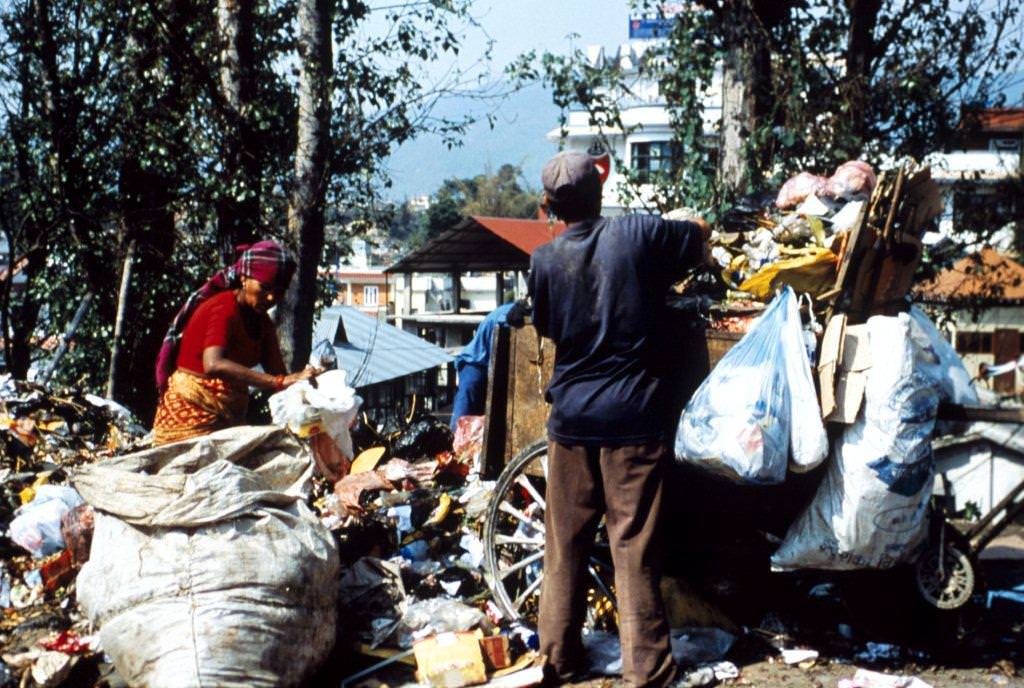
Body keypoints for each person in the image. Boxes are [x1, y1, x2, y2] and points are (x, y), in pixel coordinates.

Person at [528, 151, 710, 688]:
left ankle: (556, 660)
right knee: (633, 547)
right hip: (631, 419)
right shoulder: (637, 235)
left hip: (571, 421)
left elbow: (546, 324)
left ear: (550, 206)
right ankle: (647, 670)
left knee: (564, 546)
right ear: (600, 192)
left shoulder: (543, 260)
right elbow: (697, 239)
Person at [152, 240, 318, 445]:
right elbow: (213, 364)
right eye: (265, 287)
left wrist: (308, 386)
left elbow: (280, 375)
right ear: (244, 278)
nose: (271, 297)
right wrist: (278, 382)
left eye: (280, 291)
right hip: (190, 415)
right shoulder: (223, 308)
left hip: (228, 419)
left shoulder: (262, 322)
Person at [449, 301, 515, 431]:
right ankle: (453, 446)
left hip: (488, 361)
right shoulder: (507, 319)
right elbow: (497, 358)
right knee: (463, 420)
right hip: (475, 363)